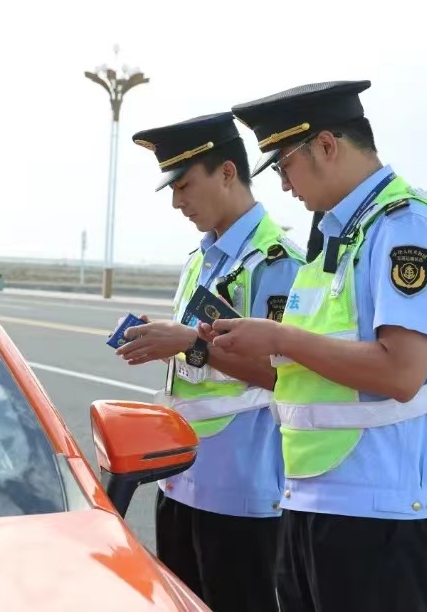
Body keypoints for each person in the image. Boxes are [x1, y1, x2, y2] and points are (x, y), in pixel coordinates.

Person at [203, 81, 427, 611]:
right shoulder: (334, 240)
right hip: (309, 499)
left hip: (375, 511)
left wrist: (281, 337)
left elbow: (401, 373)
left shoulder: (406, 226)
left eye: (285, 166)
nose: (283, 184)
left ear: (326, 145)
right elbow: (306, 374)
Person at [114, 112, 305, 611]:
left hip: (240, 487)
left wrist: (186, 344)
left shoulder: (276, 262)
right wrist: (166, 340)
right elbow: (201, 359)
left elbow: (283, 375)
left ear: (226, 172)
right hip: (182, 476)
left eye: (184, 185)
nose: (177, 202)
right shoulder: (200, 260)